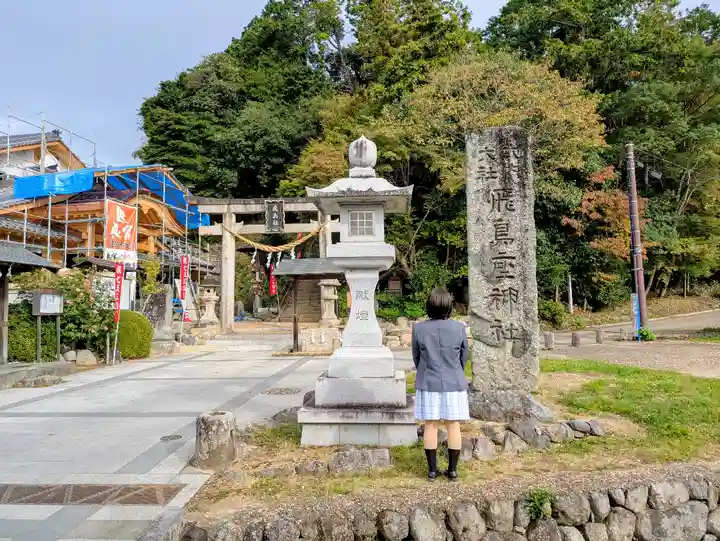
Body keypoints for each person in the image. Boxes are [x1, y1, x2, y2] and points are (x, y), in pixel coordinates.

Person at [412, 288, 469, 481]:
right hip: (454, 380)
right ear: (449, 306)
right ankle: (452, 471)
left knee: (430, 425)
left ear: (429, 306)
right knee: (453, 425)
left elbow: (416, 358)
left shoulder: (419, 329)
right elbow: (464, 357)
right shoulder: (459, 328)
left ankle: (432, 471)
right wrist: (454, 370)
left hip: (428, 381)